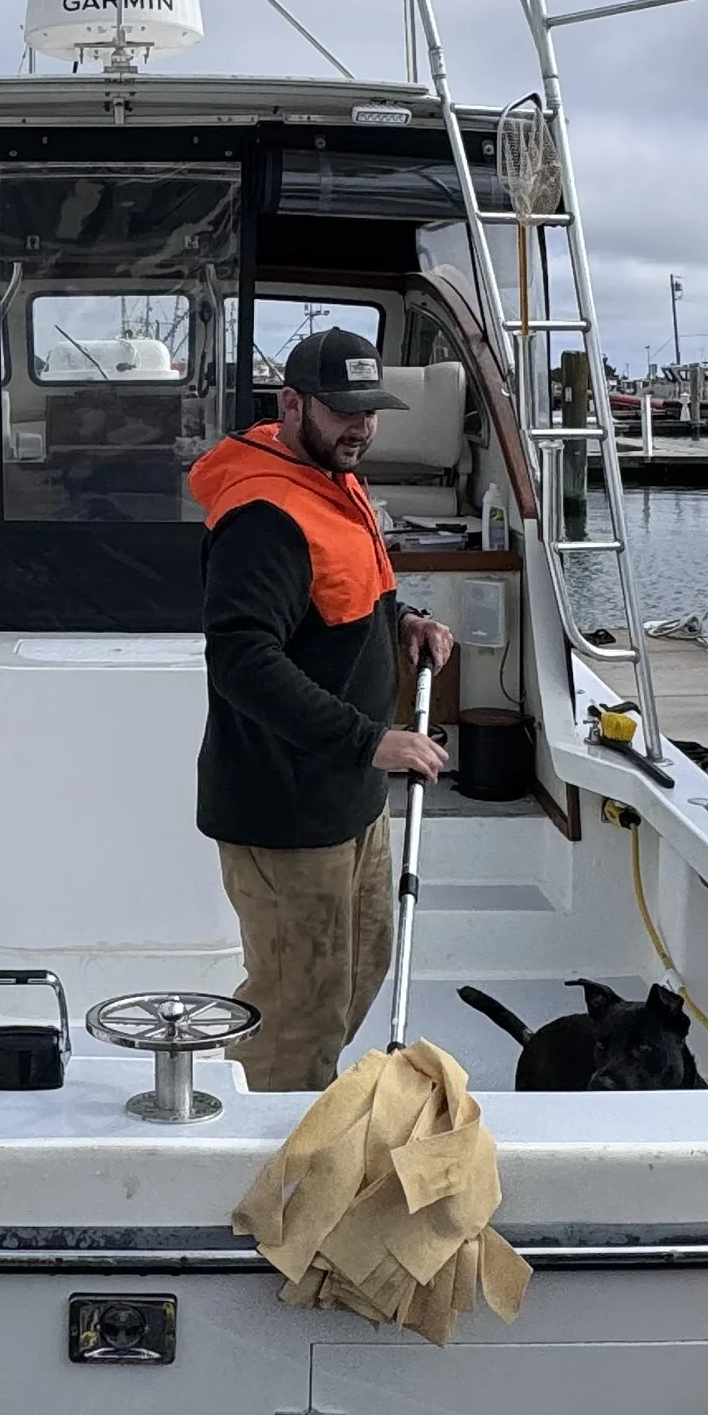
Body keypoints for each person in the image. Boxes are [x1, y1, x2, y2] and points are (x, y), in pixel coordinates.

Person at [187, 326, 454, 1091]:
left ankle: (304, 1120)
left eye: (371, 408)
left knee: (357, 973)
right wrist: (372, 740)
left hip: (351, 803)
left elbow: (346, 595)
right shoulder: (264, 517)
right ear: (293, 404)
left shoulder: (334, 480)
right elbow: (241, 659)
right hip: (287, 814)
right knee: (296, 1014)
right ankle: (263, 1175)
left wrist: (405, 624)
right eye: (343, 410)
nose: (361, 426)